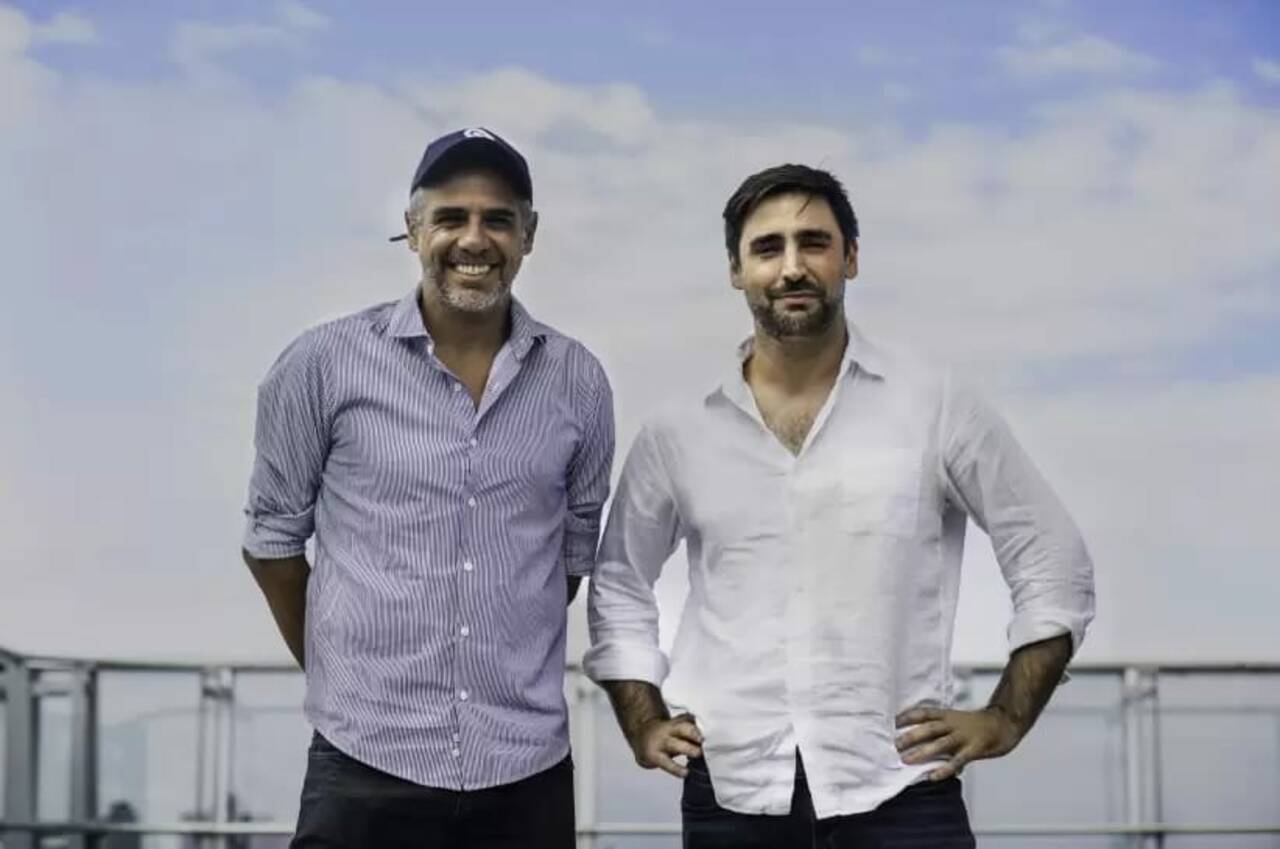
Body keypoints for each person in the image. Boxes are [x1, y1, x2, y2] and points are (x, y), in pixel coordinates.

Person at [584, 164, 1095, 848]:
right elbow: (619, 581)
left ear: (850, 257)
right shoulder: (679, 431)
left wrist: (1006, 715)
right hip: (732, 792)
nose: (792, 267)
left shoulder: (935, 404)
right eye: (768, 248)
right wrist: (642, 717)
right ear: (736, 270)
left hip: (902, 787)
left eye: (814, 243)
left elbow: (1052, 558)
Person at [241, 127, 614, 849]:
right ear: (413, 230)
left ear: (528, 236)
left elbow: (566, 563)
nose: (474, 239)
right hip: (363, 763)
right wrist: (345, 674)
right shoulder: (321, 365)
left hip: (526, 772)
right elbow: (272, 546)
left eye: (497, 219)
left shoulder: (580, 382)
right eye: (450, 218)